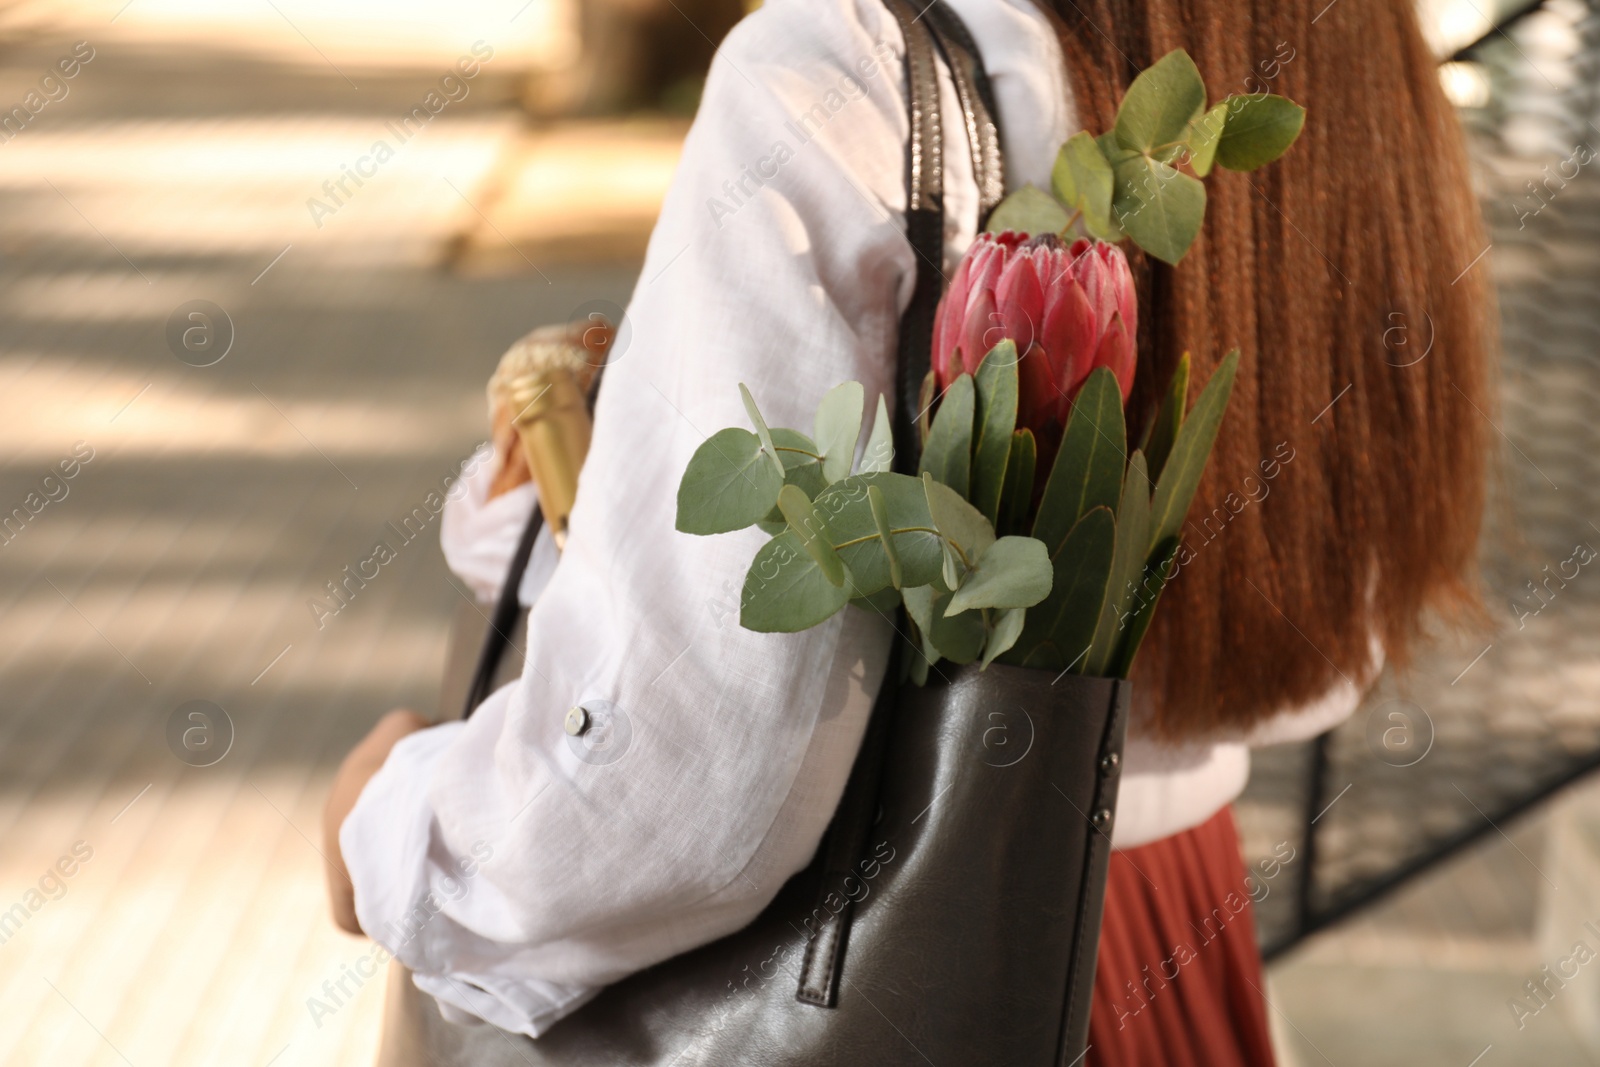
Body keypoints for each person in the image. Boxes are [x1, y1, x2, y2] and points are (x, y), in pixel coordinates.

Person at [322, 0, 1491, 1062]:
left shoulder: (839, 72)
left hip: (879, 981)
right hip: (1165, 940)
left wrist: (398, 839)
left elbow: (686, 785)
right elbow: (1318, 635)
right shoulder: (1338, 49)